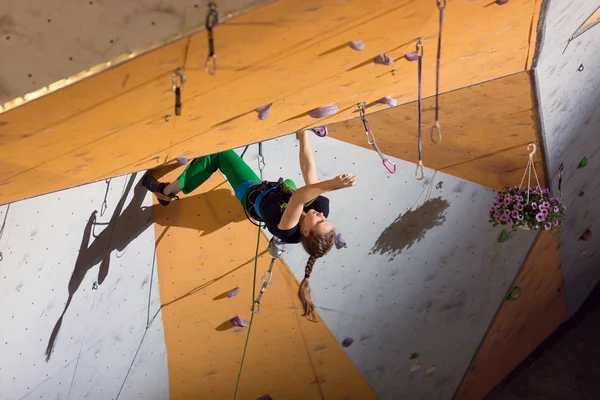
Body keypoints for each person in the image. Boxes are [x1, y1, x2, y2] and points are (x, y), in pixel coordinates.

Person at [141, 128, 358, 320]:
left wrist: (333, 185)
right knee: (295, 186)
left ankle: (166, 192)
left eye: (319, 220)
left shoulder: (288, 230)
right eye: (324, 218)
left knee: (219, 157)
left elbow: (300, 196)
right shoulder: (314, 211)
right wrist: (304, 133)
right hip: (276, 193)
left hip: (251, 193)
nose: (321, 213)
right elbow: (309, 171)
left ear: (305, 230)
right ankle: (298, 146)